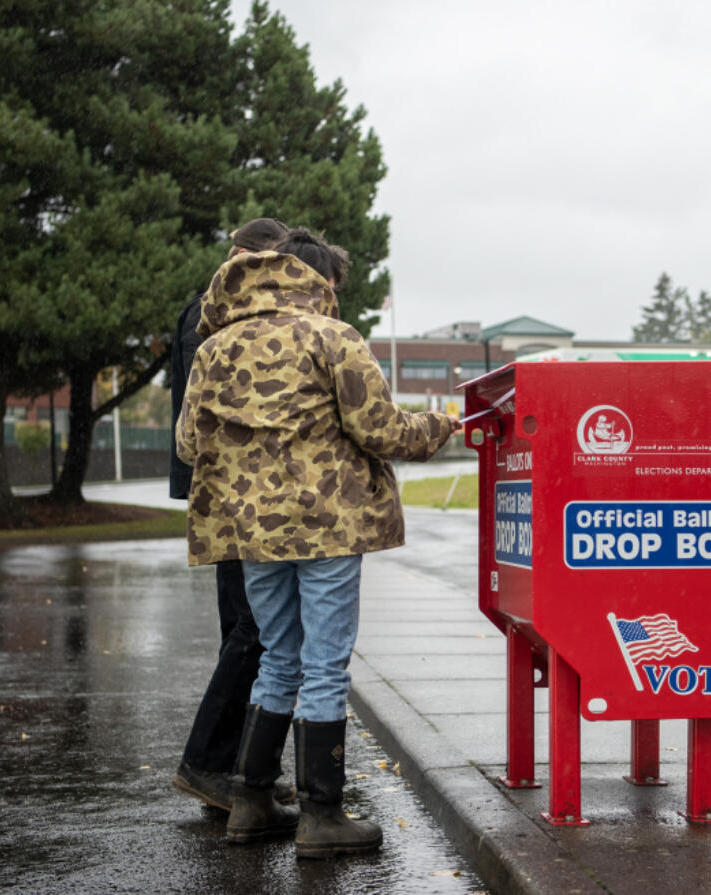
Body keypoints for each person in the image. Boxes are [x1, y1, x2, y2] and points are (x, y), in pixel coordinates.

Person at [176, 227, 459, 856]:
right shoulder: (332, 338)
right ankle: (322, 816)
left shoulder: (214, 348)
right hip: (327, 524)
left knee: (278, 658)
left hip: (252, 532)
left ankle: (250, 803)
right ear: (313, 279)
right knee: (325, 666)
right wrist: (442, 424)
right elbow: (382, 429)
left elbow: (188, 446)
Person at [169, 218, 295, 813]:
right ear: (245, 257)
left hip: (231, 495)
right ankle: (207, 764)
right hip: (233, 496)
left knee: (247, 632)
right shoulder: (213, 316)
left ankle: (243, 772)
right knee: (254, 630)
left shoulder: (214, 312)